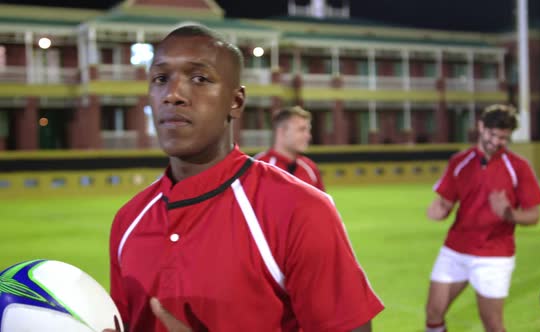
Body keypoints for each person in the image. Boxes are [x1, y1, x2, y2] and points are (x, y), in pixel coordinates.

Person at [106, 24, 383, 332]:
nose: (173, 94)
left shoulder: (301, 210)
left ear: (235, 102)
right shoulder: (128, 221)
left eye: (199, 78)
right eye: (160, 79)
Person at [424, 104, 540, 332]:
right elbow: (445, 203)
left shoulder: (518, 167)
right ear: (481, 127)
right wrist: (439, 210)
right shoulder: (459, 162)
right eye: (493, 134)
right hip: (455, 250)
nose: (497, 142)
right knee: (433, 312)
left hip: (494, 256)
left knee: (492, 324)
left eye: (503, 138)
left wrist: (509, 214)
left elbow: (534, 215)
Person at [255, 106, 325, 191]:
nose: (308, 136)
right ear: (282, 131)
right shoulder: (258, 166)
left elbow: (320, 203)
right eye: (301, 129)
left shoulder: (310, 168)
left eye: (308, 130)